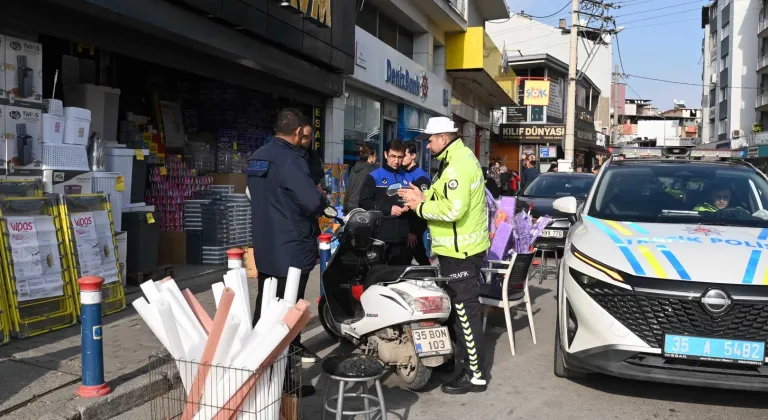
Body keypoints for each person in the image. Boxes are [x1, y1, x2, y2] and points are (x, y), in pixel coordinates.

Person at [399, 116, 491, 395]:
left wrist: (419, 207)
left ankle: (475, 374)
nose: (427, 145)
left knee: (465, 311)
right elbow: (444, 198)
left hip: (461, 251)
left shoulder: (458, 164)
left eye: (430, 139)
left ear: (443, 138)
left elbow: (453, 211)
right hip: (455, 249)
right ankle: (461, 362)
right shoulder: (453, 160)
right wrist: (423, 197)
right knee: (456, 310)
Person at [247, 109, 326, 380]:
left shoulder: (258, 156)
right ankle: (284, 382)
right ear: (297, 132)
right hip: (292, 247)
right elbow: (312, 202)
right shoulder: (291, 160)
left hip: (266, 246)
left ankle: (258, 368)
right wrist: (321, 198)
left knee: (265, 307)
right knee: (288, 315)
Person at [359, 139, 411, 265]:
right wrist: (389, 209)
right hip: (380, 238)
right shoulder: (373, 176)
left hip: (403, 239)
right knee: (377, 278)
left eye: (400, 157)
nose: (396, 161)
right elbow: (364, 203)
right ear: (386, 155)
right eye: (393, 156)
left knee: (399, 281)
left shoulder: (408, 178)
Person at [402, 142, 432, 265]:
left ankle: (434, 281)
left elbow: (424, 205)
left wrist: (414, 231)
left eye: (404, 156)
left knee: (421, 259)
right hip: (403, 227)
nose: (400, 159)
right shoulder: (401, 173)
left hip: (413, 230)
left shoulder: (421, 177)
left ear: (413, 156)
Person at [344, 144, 377, 213]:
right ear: (370, 157)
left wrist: (345, 208)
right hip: (362, 208)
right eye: (375, 156)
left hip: (351, 206)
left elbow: (349, 189)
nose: (376, 158)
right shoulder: (371, 170)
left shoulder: (354, 168)